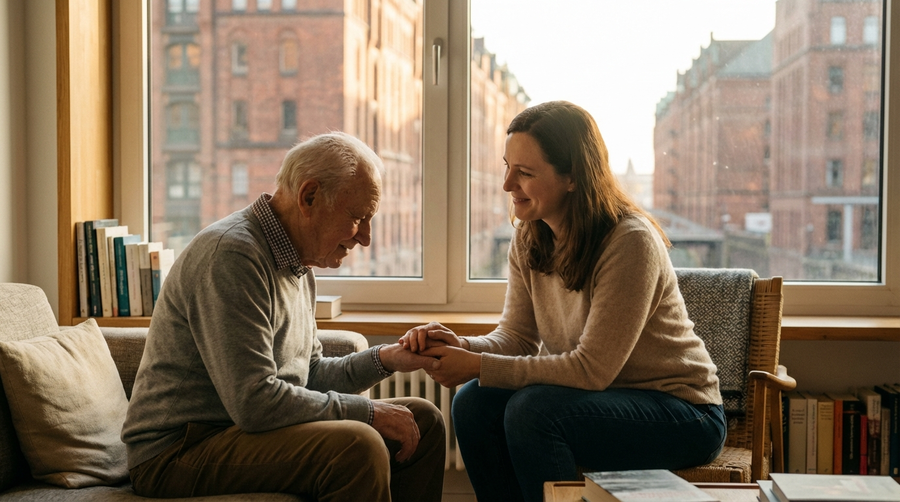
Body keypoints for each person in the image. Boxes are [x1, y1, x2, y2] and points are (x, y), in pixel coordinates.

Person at [400, 101, 726, 502]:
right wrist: (462, 347)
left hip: (681, 412)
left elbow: (592, 370)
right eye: (507, 166)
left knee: (532, 411)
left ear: (572, 176)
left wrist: (479, 365)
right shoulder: (530, 236)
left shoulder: (629, 241)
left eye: (524, 173)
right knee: (474, 402)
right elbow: (517, 337)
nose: (506, 184)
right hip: (595, 402)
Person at [122, 132, 446, 502]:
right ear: (309, 197)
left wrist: (387, 358)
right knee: (358, 445)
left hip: (237, 433)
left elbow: (310, 376)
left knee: (424, 420)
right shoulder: (231, 257)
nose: (366, 238)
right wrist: (367, 412)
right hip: (177, 451)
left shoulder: (297, 268)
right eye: (358, 217)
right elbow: (255, 402)